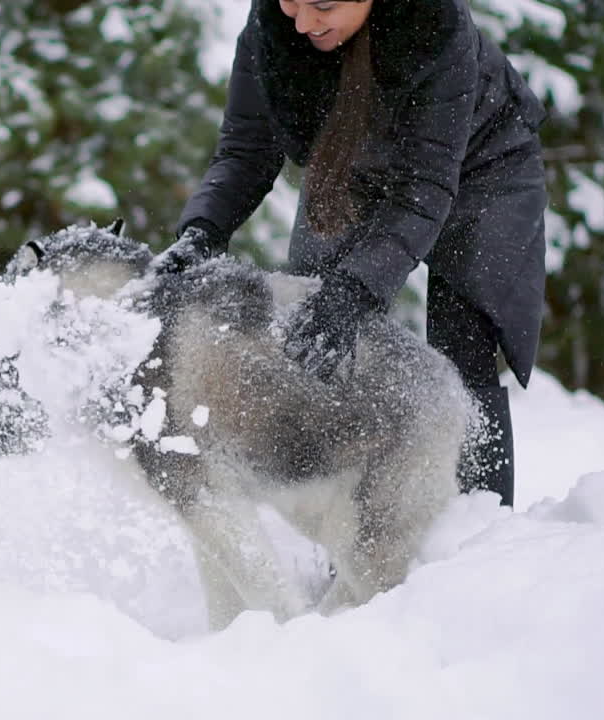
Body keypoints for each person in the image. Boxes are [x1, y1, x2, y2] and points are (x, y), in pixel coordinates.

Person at [154, 0, 548, 507]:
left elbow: (424, 188)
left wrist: (357, 288)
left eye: (322, 4)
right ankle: (340, 521)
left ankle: (478, 524)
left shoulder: (436, 27)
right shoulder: (273, 30)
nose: (303, 22)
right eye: (292, 1)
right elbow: (245, 151)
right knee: (315, 331)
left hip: (482, 169)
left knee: (461, 351)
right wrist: (202, 233)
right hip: (355, 168)